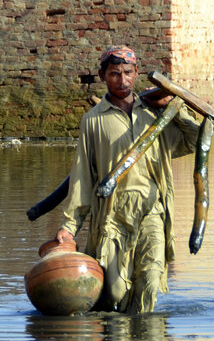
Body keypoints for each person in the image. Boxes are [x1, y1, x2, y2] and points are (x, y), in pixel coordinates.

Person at [53, 46, 200, 314]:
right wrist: (69, 226)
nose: (122, 80)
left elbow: (194, 141)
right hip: (112, 215)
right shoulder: (93, 121)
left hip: (152, 209)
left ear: (137, 74)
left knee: (150, 279)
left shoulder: (154, 115)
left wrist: (176, 109)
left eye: (128, 73)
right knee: (115, 292)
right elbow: (83, 177)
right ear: (102, 76)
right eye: (115, 74)